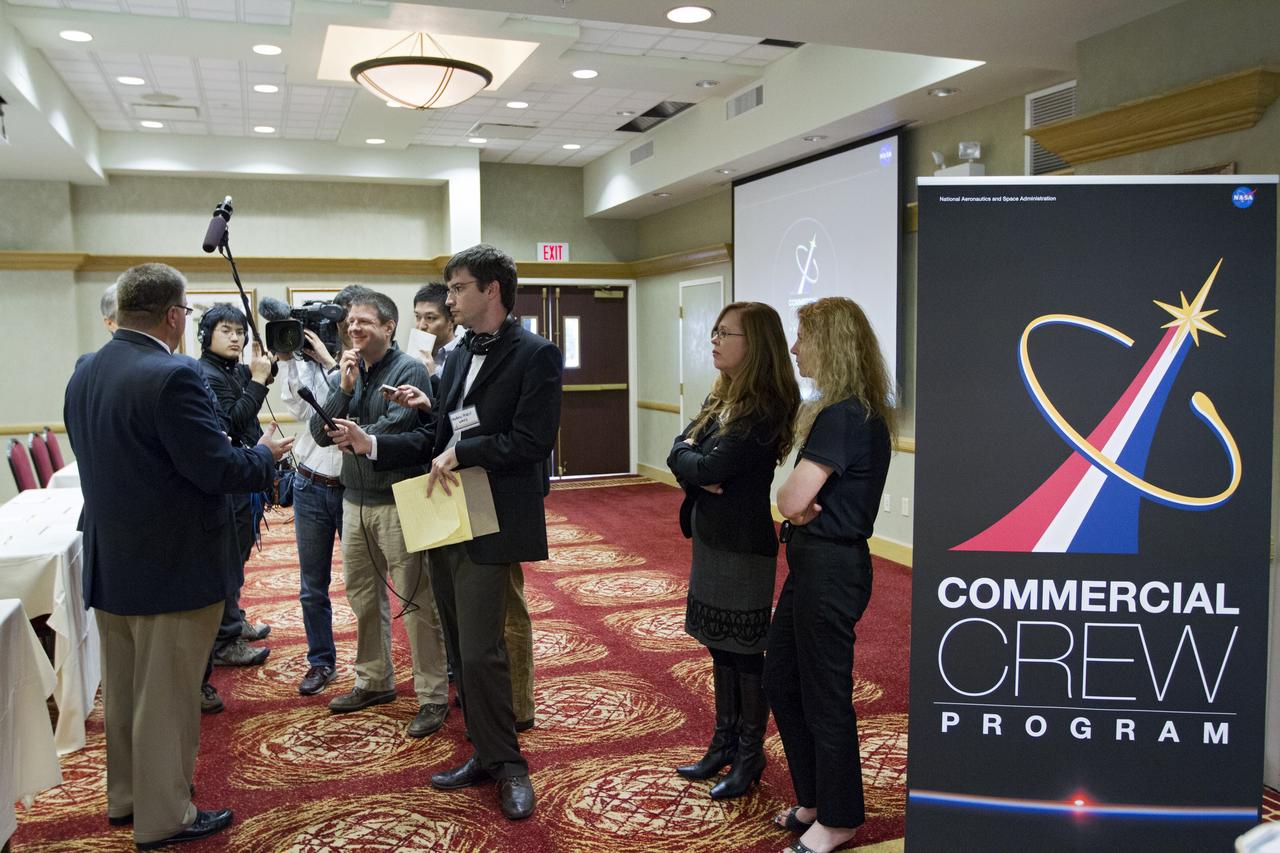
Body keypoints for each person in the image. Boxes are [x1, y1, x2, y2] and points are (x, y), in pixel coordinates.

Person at [64, 263, 293, 849]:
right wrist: (265, 454)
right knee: (166, 697)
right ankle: (166, 816)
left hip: (112, 561)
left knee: (123, 691)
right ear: (173, 316)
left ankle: (128, 798)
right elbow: (216, 469)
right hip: (172, 565)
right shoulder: (172, 376)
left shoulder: (86, 371)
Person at [330, 243, 562, 820]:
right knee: (459, 642)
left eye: (458, 288)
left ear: (492, 290)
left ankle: (509, 763)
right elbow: (443, 438)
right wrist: (377, 441)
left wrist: (466, 451)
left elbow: (532, 443)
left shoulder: (536, 353)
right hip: (447, 509)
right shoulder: (457, 355)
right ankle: (483, 751)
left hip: (492, 511)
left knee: (484, 647)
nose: (449, 299)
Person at [764, 297, 894, 853]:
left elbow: (790, 496)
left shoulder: (843, 416)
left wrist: (793, 505)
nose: (794, 348)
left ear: (832, 344)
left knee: (824, 693)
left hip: (832, 568)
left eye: (803, 338)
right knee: (783, 680)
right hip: (815, 562)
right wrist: (794, 508)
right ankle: (815, 798)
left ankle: (840, 817)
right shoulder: (845, 411)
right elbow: (792, 504)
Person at [667, 301, 799, 800]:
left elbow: (706, 468)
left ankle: (750, 753)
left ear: (755, 346)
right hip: (712, 538)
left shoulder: (762, 408)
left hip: (743, 545)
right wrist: (692, 460)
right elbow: (680, 452)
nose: (714, 340)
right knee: (718, 643)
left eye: (726, 333)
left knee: (745, 651)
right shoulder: (722, 398)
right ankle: (723, 741)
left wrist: (694, 462)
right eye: (715, 331)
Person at [309, 289, 450, 738]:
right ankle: (374, 681)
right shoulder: (350, 369)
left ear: (388, 328)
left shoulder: (408, 369)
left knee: (415, 601)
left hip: (398, 501)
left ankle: (432, 695)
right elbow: (319, 428)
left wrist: (352, 432)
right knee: (363, 599)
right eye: (350, 322)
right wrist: (344, 389)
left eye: (364, 323)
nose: (353, 329)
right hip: (354, 501)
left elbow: (396, 429)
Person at [197, 304, 274, 671]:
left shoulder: (230, 369)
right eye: (226, 330)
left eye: (240, 332)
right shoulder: (205, 373)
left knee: (239, 552)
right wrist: (257, 381)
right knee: (229, 556)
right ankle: (225, 637)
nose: (235, 337)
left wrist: (262, 372)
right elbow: (232, 419)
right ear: (205, 335)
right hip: (231, 476)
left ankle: (234, 617)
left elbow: (259, 381)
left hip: (244, 473)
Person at [411, 282, 460, 382]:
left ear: (451, 320)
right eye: (417, 317)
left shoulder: (462, 355)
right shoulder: (413, 353)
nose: (421, 326)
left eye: (430, 318)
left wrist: (432, 376)